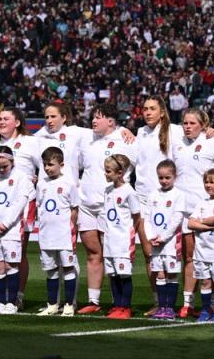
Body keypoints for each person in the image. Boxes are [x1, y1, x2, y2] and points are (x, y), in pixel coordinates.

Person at [76, 103, 138, 314]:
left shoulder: (126, 139)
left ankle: (119, 304)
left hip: (110, 207)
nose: (93, 120)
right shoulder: (86, 138)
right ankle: (93, 301)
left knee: (112, 255)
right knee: (93, 253)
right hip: (86, 205)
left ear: (111, 121)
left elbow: (144, 161)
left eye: (99, 117)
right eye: (93, 117)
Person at [0, 107, 40, 308]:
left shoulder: (30, 142)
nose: (1, 122)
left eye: (6, 119)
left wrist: (39, 179)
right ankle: (2, 298)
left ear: (17, 122)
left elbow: (47, 163)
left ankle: (17, 296)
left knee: (18, 250)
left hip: (22, 203)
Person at [172, 108, 214, 318]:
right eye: (185, 123)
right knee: (187, 257)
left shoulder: (213, 144)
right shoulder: (179, 144)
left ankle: (211, 303)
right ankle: (188, 303)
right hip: (183, 209)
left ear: (203, 124)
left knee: (206, 258)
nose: (187, 126)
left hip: (205, 209)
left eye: (192, 123)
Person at [0, 144, 32, 315]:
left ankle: (11, 302)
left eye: (5, 166)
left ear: (12, 162)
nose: (1, 169)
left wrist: (6, 222)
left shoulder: (21, 177)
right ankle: (1, 302)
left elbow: (21, 201)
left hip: (11, 228)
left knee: (11, 264)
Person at [34, 146, 79, 317]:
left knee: (67, 268)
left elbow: (74, 209)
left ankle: (68, 305)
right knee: (50, 270)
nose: (47, 168)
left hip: (64, 234)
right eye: (45, 165)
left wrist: (71, 228)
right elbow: (40, 206)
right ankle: (52, 304)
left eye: (51, 164)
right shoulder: (41, 183)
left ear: (61, 164)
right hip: (46, 235)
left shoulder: (69, 184)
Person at [143, 160, 186, 320]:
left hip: (171, 244)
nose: (164, 181)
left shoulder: (178, 195)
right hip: (156, 244)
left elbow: (177, 219)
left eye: (167, 177)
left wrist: (163, 237)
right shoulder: (152, 195)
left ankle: (170, 308)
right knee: (160, 275)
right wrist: (151, 237)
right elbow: (146, 218)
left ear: (175, 176)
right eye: (161, 178)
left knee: (172, 275)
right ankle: (161, 307)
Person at [102, 153, 144, 319]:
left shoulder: (129, 192)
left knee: (124, 274)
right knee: (113, 274)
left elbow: (136, 216)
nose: (105, 174)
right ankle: (117, 305)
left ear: (120, 173)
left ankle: (125, 307)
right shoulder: (107, 190)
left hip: (123, 240)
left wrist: (128, 234)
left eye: (108, 171)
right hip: (109, 239)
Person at [187, 167, 214, 323]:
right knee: (205, 282)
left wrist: (201, 221)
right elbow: (190, 223)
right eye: (206, 182)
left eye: (212, 182)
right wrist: (206, 225)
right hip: (201, 251)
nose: (208, 185)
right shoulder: (202, 203)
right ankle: (206, 310)